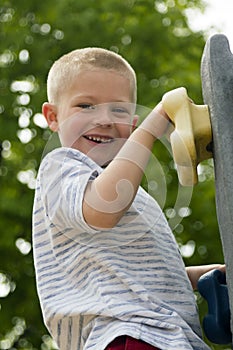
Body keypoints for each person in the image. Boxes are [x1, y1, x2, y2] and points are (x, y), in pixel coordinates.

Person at [33, 47, 225, 350]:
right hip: (126, 335)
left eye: (119, 110)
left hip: (165, 336)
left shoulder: (130, 193)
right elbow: (101, 210)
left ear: (131, 122)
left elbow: (135, 275)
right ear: (53, 116)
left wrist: (205, 274)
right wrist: (154, 126)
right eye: (85, 106)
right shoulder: (61, 167)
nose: (105, 119)